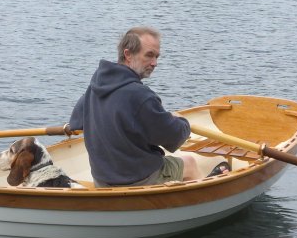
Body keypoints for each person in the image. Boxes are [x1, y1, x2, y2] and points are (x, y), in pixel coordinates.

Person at [68, 26, 203, 187]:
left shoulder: (95, 87)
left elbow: (75, 123)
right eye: (149, 55)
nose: (155, 63)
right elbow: (173, 137)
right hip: (136, 180)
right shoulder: (140, 96)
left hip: (102, 180)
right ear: (128, 54)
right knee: (190, 163)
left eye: (157, 57)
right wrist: (183, 122)